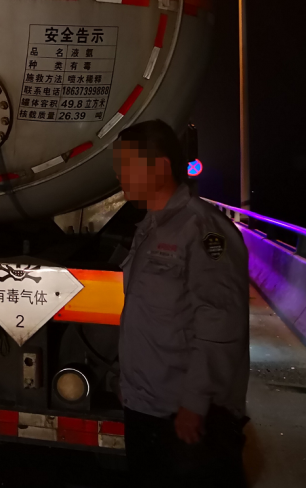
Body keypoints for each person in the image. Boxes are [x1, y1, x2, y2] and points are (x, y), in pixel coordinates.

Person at [112, 119, 249, 488]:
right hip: (146, 405)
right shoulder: (150, 226)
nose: (119, 175)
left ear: (160, 167)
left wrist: (196, 403)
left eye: (127, 165)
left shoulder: (204, 229)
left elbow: (221, 322)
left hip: (184, 415)